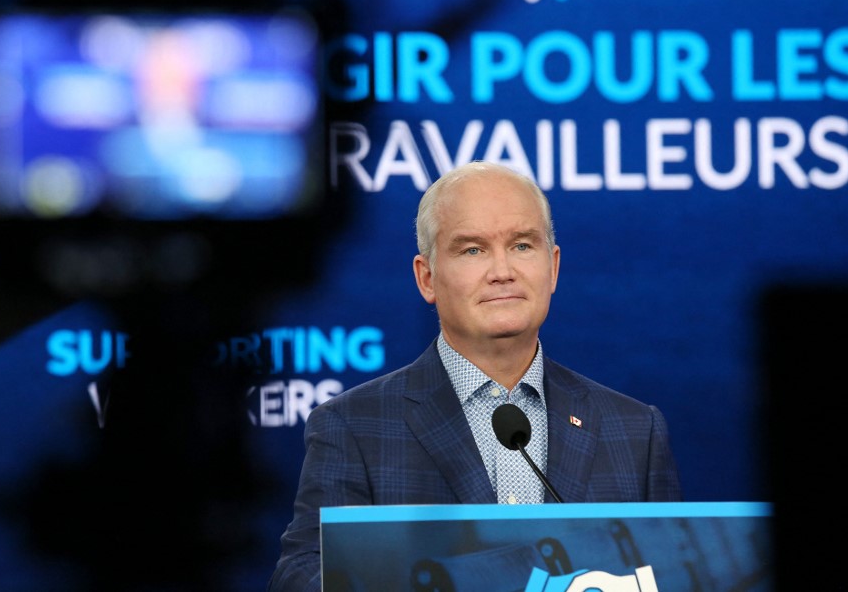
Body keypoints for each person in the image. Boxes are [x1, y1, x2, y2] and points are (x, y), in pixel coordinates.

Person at [268, 161, 682, 592]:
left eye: (523, 245)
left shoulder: (636, 431)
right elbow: (300, 577)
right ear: (427, 278)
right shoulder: (353, 425)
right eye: (473, 250)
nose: (502, 270)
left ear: (553, 267)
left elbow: (674, 574)